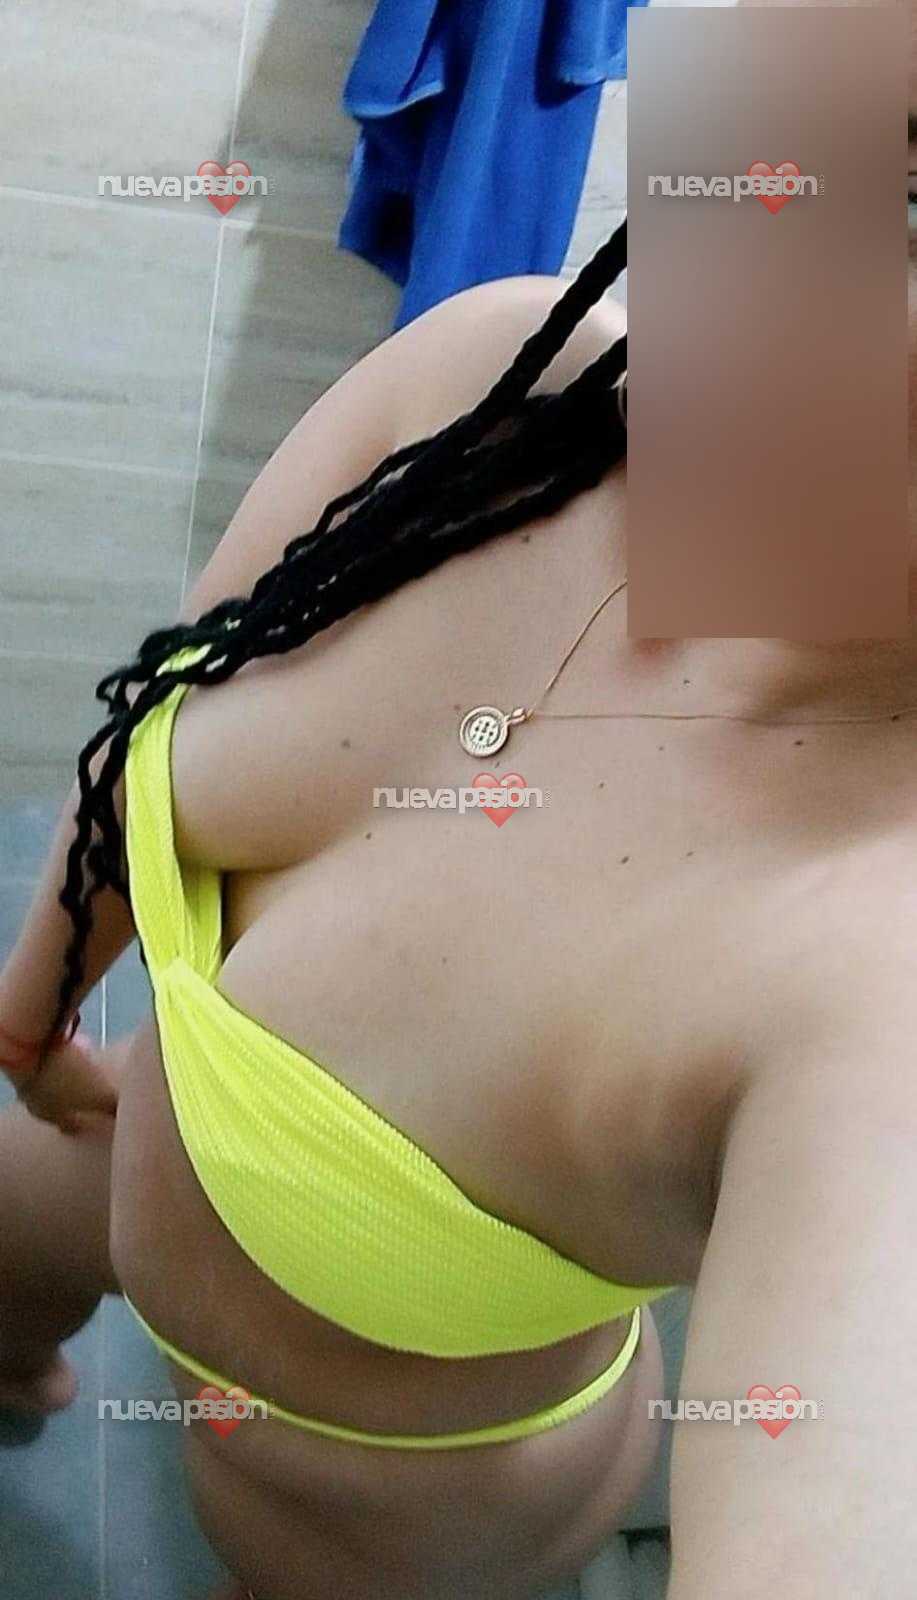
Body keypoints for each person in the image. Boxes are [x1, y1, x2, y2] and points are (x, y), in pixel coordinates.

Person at [0, 133, 914, 1600]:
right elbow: (144, 732)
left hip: (364, 1500)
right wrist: (34, 1020)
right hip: (140, 1132)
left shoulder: (881, 983)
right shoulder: (502, 382)